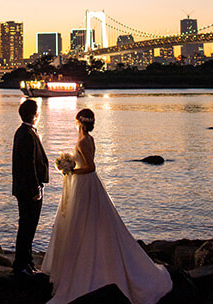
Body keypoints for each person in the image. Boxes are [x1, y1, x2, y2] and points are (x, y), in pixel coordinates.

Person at [42, 108, 173, 304]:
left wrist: (71, 171)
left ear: (81, 122)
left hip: (85, 184)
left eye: (77, 120)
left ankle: (89, 267)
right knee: (88, 222)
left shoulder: (85, 141)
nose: (75, 123)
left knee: (83, 221)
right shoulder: (87, 139)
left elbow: (91, 167)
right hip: (85, 184)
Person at [11, 97, 50, 275]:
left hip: (23, 189)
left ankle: (26, 262)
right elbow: (29, 165)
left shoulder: (23, 132)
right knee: (28, 227)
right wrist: (35, 189)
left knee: (26, 226)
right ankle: (23, 265)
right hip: (29, 190)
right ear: (35, 115)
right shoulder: (27, 135)